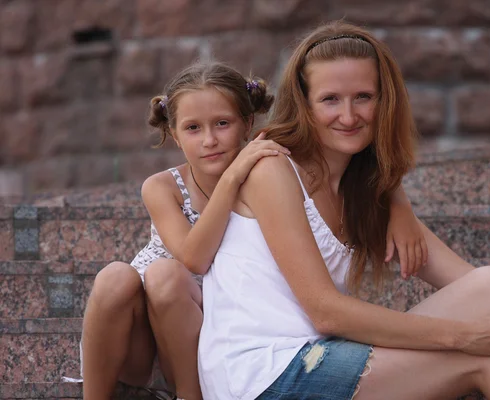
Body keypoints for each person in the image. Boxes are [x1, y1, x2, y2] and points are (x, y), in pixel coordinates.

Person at [197, 21, 490, 400]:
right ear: (305, 105)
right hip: (262, 375)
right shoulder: (273, 169)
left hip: (324, 356)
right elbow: (326, 312)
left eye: (363, 96)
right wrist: (464, 337)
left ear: (384, 101)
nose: (348, 116)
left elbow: (478, 282)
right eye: (330, 99)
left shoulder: (366, 192)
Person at [81, 61, 427, 400]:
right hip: (145, 330)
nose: (210, 140)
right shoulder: (162, 186)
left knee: (165, 278)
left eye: (222, 123)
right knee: (125, 276)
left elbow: (347, 162)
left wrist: (398, 204)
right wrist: (232, 177)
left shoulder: (269, 166)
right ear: (174, 134)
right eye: (193, 128)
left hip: (211, 332)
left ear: (247, 123)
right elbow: (193, 259)